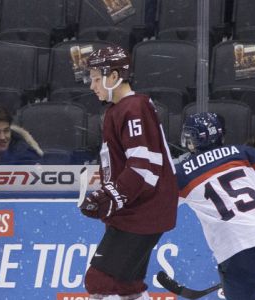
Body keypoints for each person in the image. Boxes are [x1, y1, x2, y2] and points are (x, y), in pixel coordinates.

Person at [77, 45, 178, 300]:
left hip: (141, 211)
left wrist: (110, 197)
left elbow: (142, 165)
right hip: (136, 210)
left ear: (114, 76)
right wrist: (111, 196)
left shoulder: (133, 108)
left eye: (97, 79)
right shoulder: (119, 109)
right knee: (126, 285)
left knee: (99, 280)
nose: (92, 86)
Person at [175, 112, 255, 300]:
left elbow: (158, 208)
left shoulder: (180, 174)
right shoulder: (245, 153)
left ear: (190, 140)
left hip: (237, 249)